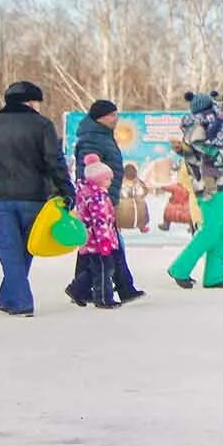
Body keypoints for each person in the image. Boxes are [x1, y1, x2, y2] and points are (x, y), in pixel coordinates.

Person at [0, 80, 74, 316]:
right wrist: (66, 189)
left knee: (10, 250)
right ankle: (21, 302)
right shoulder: (42, 125)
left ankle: (10, 297)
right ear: (31, 102)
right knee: (25, 249)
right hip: (33, 198)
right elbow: (55, 161)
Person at [69, 99, 144, 303]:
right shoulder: (93, 138)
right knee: (108, 244)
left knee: (97, 244)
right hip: (99, 201)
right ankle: (120, 287)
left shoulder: (103, 135)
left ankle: (83, 288)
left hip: (105, 197)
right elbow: (88, 170)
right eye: (112, 115)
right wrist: (99, 198)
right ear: (100, 117)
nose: (116, 118)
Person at [166, 92, 223, 290]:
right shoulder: (196, 127)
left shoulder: (216, 125)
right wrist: (222, 154)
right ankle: (179, 268)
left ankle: (214, 276)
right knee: (211, 230)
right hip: (207, 186)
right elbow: (198, 153)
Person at [70, 155, 123, 308]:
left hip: (91, 239)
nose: (110, 182)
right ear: (98, 180)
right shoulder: (97, 197)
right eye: (107, 179)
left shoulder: (86, 193)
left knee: (95, 268)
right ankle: (103, 299)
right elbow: (100, 221)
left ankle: (76, 289)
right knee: (105, 270)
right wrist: (105, 241)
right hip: (99, 240)